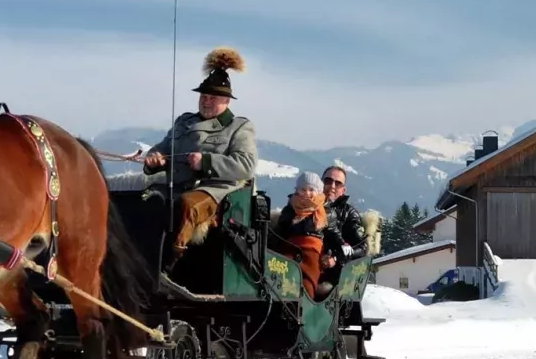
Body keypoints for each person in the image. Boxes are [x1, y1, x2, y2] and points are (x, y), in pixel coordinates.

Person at [137, 47, 258, 267]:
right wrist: (155, 159)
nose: (206, 101)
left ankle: (171, 263)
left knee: (189, 205)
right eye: (204, 96)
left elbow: (247, 165)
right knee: (144, 199)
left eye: (213, 97)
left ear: (227, 101)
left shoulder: (238, 127)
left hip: (216, 191)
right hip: (178, 185)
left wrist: (207, 162)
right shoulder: (184, 122)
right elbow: (164, 147)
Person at [269, 170, 341, 299]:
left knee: (309, 274)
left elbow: (332, 233)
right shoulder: (292, 206)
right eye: (303, 189)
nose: (307, 193)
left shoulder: (325, 210)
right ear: (297, 190)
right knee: (281, 268)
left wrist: (337, 250)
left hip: (313, 248)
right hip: (291, 244)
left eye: (311, 190)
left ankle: (306, 299)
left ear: (318, 191)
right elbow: (282, 227)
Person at [320, 165, 368, 277]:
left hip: (334, 273)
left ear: (343, 190)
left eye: (338, 183)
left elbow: (362, 247)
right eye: (328, 181)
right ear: (320, 183)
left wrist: (336, 258)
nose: (332, 186)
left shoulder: (350, 213)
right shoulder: (304, 205)